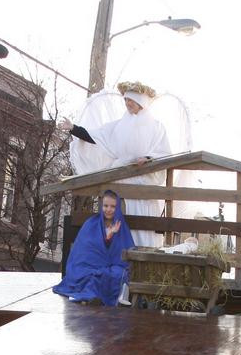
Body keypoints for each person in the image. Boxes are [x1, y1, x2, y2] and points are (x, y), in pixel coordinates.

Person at [58, 81, 172, 247]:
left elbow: (164, 152)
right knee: (119, 218)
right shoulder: (119, 125)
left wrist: (148, 158)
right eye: (125, 100)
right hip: (121, 179)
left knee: (142, 221)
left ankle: (144, 251)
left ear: (140, 102)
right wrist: (73, 128)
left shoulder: (156, 127)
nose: (127, 104)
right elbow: (97, 137)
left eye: (130, 100)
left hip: (144, 182)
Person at [53, 190, 135, 306]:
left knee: (118, 274)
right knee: (92, 276)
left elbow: (124, 252)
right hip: (91, 264)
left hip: (113, 265)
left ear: (117, 208)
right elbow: (85, 249)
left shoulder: (121, 226)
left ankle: (99, 297)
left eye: (113, 206)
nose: (108, 209)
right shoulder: (91, 223)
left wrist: (112, 235)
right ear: (102, 206)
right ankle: (92, 297)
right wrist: (108, 236)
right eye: (106, 206)